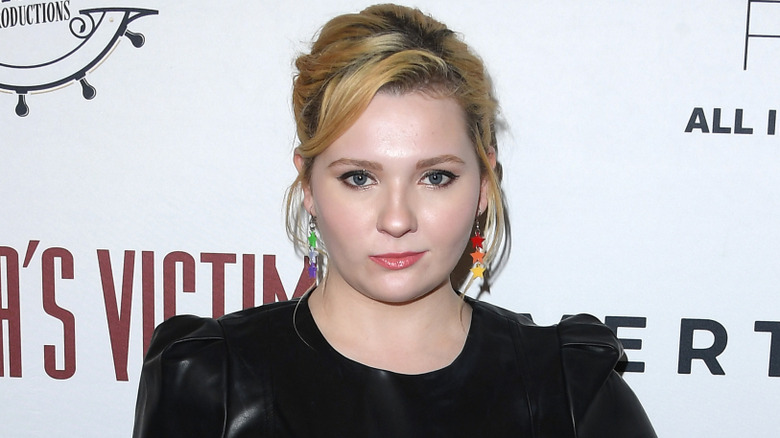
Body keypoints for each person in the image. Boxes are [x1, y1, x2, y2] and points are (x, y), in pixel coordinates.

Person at [132, 4, 656, 437]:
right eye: (360, 177)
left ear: (484, 183)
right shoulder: (210, 382)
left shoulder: (568, 392)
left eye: (436, 177)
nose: (397, 218)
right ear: (309, 187)